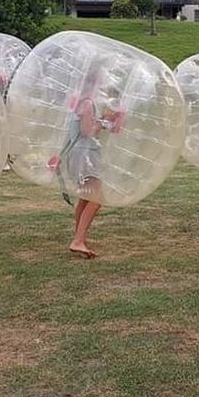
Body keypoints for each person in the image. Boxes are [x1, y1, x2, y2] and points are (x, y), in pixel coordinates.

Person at [50, 69, 123, 258]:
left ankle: (80, 237)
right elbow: (87, 131)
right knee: (97, 198)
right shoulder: (88, 103)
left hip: (81, 155)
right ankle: (78, 240)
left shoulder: (80, 103)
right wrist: (106, 120)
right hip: (85, 156)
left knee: (85, 197)